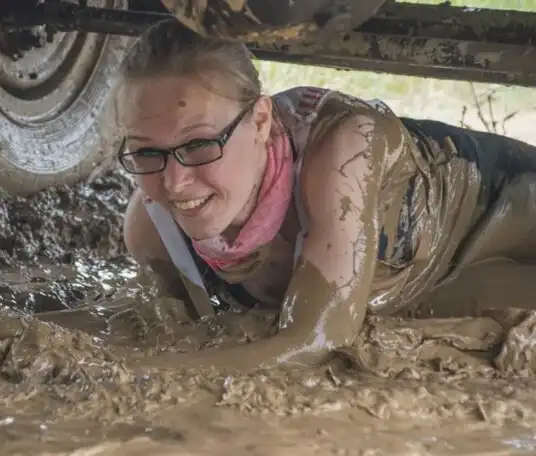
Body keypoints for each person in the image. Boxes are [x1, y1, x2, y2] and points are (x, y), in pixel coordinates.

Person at [113, 19, 536, 372]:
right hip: (439, 285)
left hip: (509, 206)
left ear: (260, 122)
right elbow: (171, 330)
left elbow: (317, 341)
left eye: (199, 145)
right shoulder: (153, 232)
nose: (174, 182)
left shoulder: (343, 155)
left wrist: (136, 376)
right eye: (146, 152)